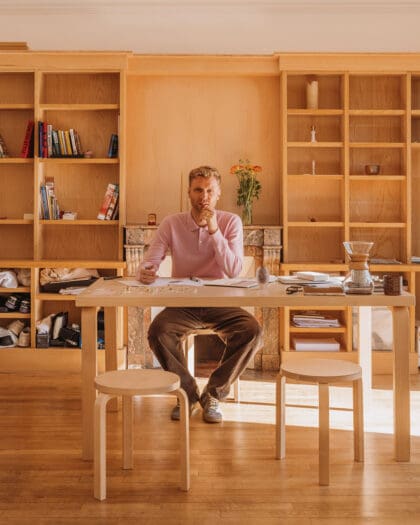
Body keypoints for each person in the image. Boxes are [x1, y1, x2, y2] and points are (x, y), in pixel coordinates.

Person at [137, 165, 262, 423]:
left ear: (218, 194)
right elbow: (150, 261)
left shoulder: (231, 222)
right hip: (184, 303)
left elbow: (234, 270)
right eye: (197, 189)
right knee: (158, 331)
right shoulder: (172, 223)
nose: (203, 196)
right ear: (189, 193)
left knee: (253, 331)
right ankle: (189, 394)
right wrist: (146, 271)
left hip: (221, 302)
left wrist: (214, 230)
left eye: (209, 190)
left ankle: (213, 394)